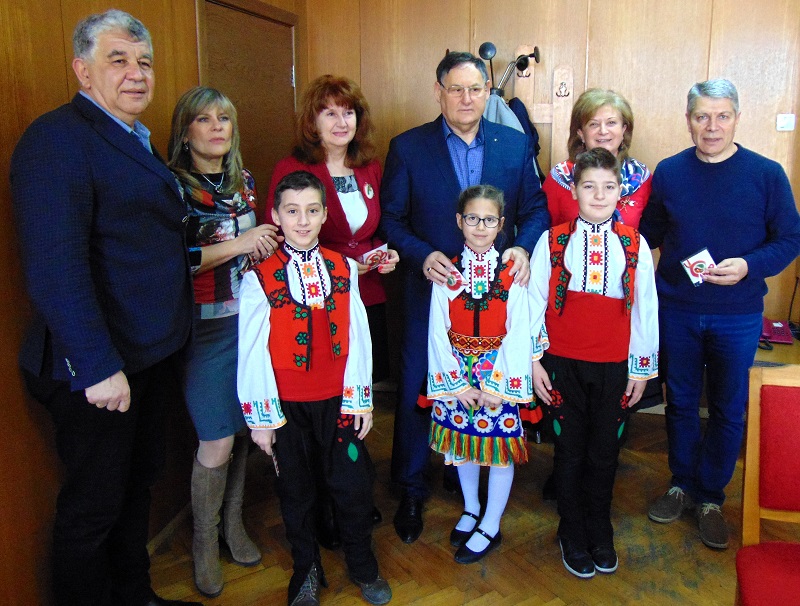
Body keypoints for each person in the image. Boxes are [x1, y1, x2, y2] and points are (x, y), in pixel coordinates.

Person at [10, 9, 200, 606]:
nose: (136, 73)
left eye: (144, 62)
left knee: (135, 487)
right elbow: (55, 266)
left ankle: (135, 594)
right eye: (118, 60)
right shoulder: (56, 139)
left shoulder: (131, 136)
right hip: (97, 369)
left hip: (147, 353)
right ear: (82, 70)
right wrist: (96, 365)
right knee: (93, 507)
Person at [381, 50, 550, 544]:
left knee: (487, 389)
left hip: (496, 300)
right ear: (439, 92)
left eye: (475, 89)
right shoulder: (408, 147)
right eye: (455, 89)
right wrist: (421, 254)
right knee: (420, 384)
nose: (466, 98)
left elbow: (536, 209)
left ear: (486, 92)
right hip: (431, 293)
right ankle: (412, 487)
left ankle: (469, 486)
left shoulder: (514, 144)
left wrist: (521, 246)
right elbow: (391, 219)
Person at [640, 79, 800, 550]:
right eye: (702, 116)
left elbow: (790, 239)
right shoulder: (670, 172)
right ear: (688, 120)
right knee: (681, 402)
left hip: (738, 314)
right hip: (678, 310)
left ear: (737, 118)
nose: (712, 126)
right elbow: (647, 234)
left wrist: (750, 265)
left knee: (729, 408)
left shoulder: (767, 174)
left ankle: (710, 497)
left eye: (722, 116)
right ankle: (681, 484)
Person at [238, 171, 392, 606]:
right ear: (275, 216)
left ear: (325, 214)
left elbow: (359, 336)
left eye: (311, 210)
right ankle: (306, 568)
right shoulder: (259, 277)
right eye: (292, 211)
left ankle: (361, 562)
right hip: (287, 406)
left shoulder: (343, 267)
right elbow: (251, 351)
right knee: (296, 491)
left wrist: (361, 399)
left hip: (339, 400)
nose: (302, 221)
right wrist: (262, 420)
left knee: (352, 485)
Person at [267, 76, 398, 550]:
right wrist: (341, 264)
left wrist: (384, 253)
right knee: (321, 404)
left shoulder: (369, 167)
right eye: (329, 112)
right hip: (314, 307)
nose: (341, 122)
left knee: (355, 397)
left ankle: (352, 492)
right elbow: (283, 238)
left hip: (368, 295)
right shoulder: (293, 168)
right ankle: (324, 504)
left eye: (348, 112)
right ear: (313, 120)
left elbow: (371, 232)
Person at [167, 86, 281, 597]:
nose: (216, 127)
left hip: (250, 322)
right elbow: (177, 260)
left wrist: (263, 248)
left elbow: (251, 250)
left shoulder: (244, 182)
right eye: (203, 119)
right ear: (185, 131)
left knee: (242, 428)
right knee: (215, 438)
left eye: (224, 118)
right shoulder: (173, 186)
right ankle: (203, 541)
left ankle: (232, 526)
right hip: (203, 328)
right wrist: (241, 243)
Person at [530, 148, 659, 578]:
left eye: (608, 187)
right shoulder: (552, 241)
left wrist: (640, 370)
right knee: (568, 451)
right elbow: (533, 304)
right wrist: (534, 361)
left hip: (614, 367)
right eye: (589, 186)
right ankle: (570, 529)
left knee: (605, 452)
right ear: (574, 190)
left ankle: (599, 528)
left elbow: (645, 309)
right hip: (563, 365)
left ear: (620, 192)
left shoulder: (634, 244)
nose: (599, 195)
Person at [426, 185, 538, 564]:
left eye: (489, 220)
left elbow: (518, 330)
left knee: (498, 450)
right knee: (464, 444)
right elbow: (437, 329)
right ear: (460, 221)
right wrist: (456, 385)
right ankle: (472, 507)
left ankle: (491, 523)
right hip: (457, 374)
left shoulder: (512, 273)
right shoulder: (448, 272)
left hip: (498, 374)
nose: (479, 226)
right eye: (472, 218)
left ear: (501, 224)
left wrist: (498, 386)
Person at [543, 88, 651, 228]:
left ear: (624, 129)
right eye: (593, 124)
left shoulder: (641, 177)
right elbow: (545, 230)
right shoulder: (560, 177)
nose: (603, 131)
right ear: (581, 133)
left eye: (611, 123)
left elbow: (651, 234)